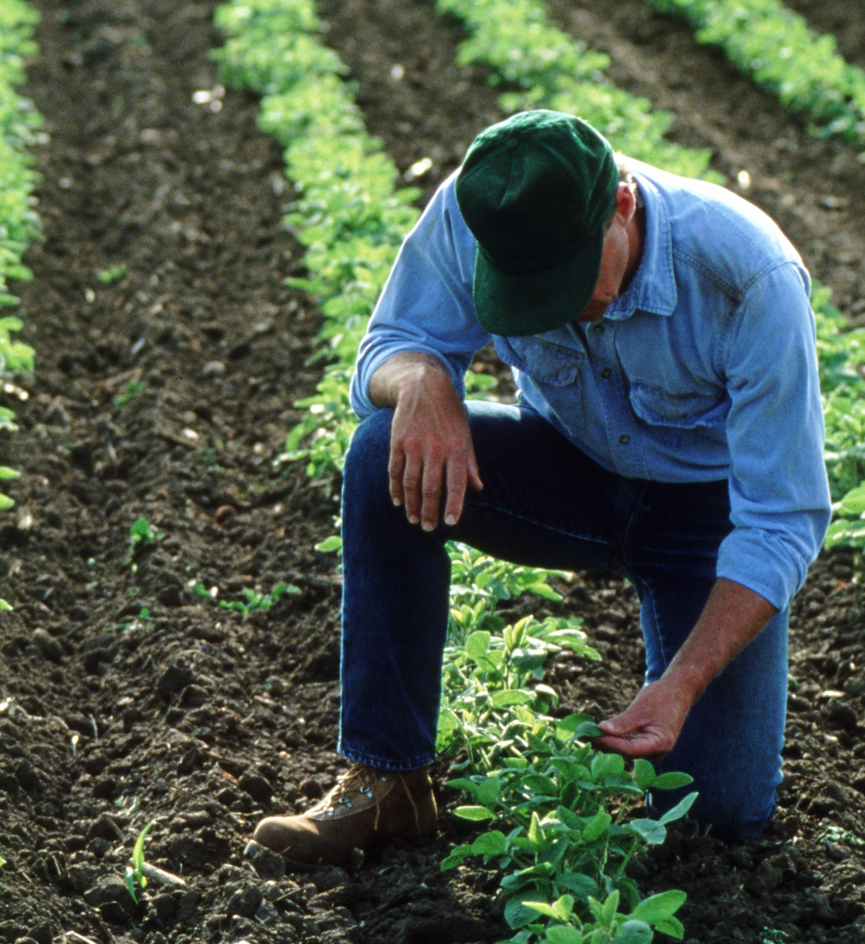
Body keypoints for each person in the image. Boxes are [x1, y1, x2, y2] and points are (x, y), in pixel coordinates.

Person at [252, 109, 829, 864]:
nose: (557, 308)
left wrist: (683, 682)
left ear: (621, 205)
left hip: (702, 516)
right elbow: (391, 344)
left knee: (716, 817)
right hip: (565, 471)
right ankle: (387, 779)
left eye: (570, 282)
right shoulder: (484, 212)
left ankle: (699, 749)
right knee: (377, 455)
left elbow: (782, 519)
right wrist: (422, 379)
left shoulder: (746, 277)